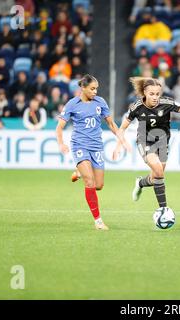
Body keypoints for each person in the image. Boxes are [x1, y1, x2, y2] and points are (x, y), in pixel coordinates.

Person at [113, 77, 180, 210]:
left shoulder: (166, 103)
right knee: (158, 171)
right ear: (145, 93)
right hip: (145, 141)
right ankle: (164, 210)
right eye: (151, 94)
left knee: (157, 176)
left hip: (162, 142)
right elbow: (121, 129)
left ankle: (140, 183)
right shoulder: (136, 107)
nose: (155, 97)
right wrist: (119, 145)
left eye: (157, 94)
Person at [56, 74, 130, 231]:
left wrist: (122, 140)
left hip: (96, 146)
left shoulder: (100, 102)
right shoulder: (72, 104)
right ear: (83, 88)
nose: (95, 91)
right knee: (89, 182)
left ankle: (79, 173)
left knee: (98, 185)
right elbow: (59, 127)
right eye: (92, 89)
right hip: (79, 145)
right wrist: (61, 143)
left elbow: (111, 124)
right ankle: (98, 221)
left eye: (96, 88)